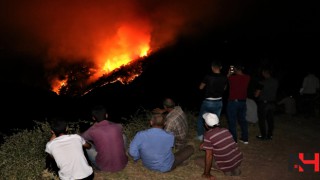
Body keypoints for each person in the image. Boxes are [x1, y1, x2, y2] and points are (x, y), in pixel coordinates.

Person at [129, 113, 194, 172]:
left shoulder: (140, 135)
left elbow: (132, 151)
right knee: (190, 148)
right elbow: (172, 146)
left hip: (147, 165)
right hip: (166, 167)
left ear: (151, 122)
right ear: (165, 124)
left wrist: (137, 157)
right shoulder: (170, 136)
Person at [195, 113, 243, 179]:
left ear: (206, 125)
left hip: (225, 164)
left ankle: (225, 169)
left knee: (198, 160)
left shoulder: (208, 135)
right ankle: (234, 168)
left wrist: (206, 174)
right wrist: (205, 144)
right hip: (237, 159)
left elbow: (209, 156)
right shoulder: (225, 130)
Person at [81, 105, 128, 172]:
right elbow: (113, 126)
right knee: (123, 136)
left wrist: (93, 126)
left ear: (93, 118)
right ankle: (121, 154)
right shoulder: (118, 126)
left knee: (87, 145)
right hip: (123, 164)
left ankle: (95, 166)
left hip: (103, 167)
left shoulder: (92, 130)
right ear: (106, 115)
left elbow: (81, 138)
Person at [196, 60, 228, 141]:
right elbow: (224, 89)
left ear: (212, 67)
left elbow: (200, 87)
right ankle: (215, 137)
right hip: (219, 102)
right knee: (215, 120)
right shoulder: (224, 77)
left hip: (208, 101)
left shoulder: (208, 76)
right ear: (220, 67)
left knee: (201, 119)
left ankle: (200, 137)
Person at [226, 63, 251, 144]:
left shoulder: (232, 78)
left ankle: (234, 140)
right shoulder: (247, 77)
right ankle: (245, 139)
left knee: (232, 121)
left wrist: (229, 73)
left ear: (235, 69)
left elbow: (226, 79)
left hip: (233, 102)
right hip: (243, 102)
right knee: (243, 121)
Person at [255, 66, 279, 140]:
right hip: (272, 103)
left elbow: (256, 95)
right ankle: (270, 135)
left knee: (262, 120)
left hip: (264, 103)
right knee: (270, 120)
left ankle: (263, 136)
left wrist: (255, 92)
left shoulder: (262, 82)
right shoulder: (276, 81)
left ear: (264, 73)